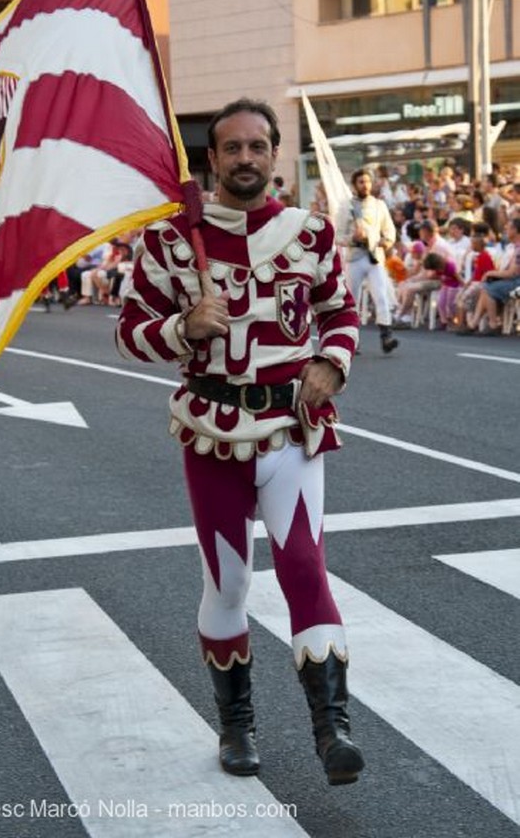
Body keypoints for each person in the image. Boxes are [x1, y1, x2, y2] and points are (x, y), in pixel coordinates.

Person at [117, 98, 364, 786]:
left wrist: (330, 362)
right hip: (211, 434)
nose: (247, 159)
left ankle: (332, 729)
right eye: (233, 149)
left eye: (259, 147)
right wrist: (184, 327)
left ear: (274, 155)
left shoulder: (308, 233)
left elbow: (340, 311)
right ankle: (237, 726)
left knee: (305, 571)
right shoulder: (173, 239)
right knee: (228, 582)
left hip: (291, 429)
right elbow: (130, 327)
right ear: (213, 160)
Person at [339, 168, 399, 353]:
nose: (365, 185)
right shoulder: (346, 206)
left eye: (367, 181)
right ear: (354, 185)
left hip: (374, 257)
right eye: (361, 182)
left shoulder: (379, 205)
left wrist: (385, 241)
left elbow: (389, 231)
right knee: (352, 300)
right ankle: (351, 339)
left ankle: (386, 335)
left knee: (381, 295)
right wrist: (353, 239)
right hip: (355, 257)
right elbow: (337, 235)